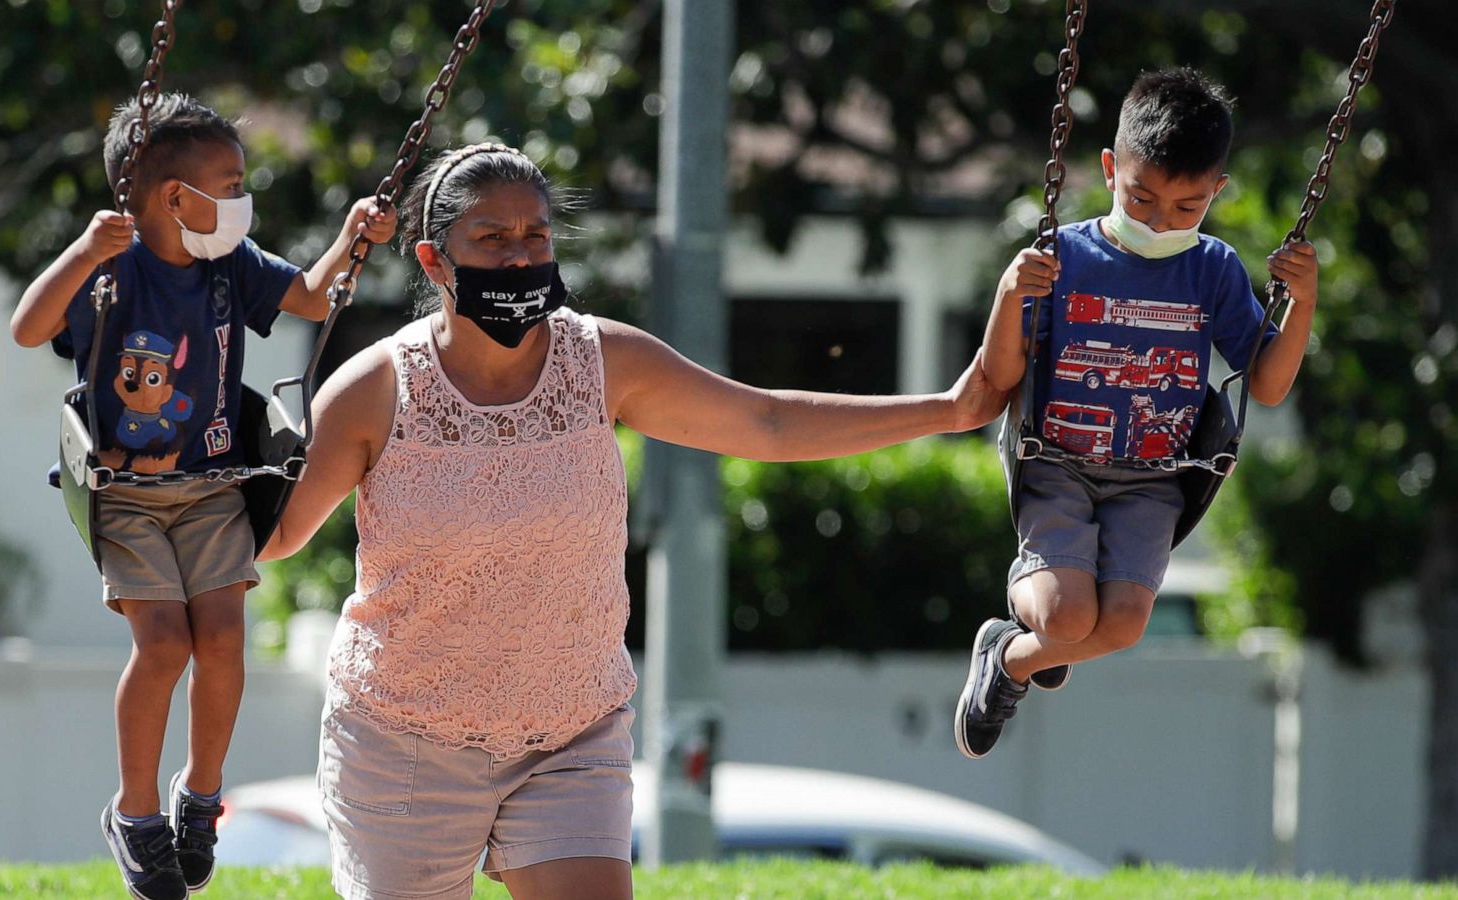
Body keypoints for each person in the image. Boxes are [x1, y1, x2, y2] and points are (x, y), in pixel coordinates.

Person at [257, 141, 1009, 900]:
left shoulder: (601, 361)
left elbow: (767, 424)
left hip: (570, 733)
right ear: (433, 260)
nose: (521, 257)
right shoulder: (376, 391)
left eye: (537, 236)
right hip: (403, 739)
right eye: (491, 238)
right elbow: (277, 536)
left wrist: (952, 409)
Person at [9, 93, 395, 900]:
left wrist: (352, 239)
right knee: (163, 646)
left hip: (215, 485)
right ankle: (137, 812)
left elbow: (316, 299)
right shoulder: (110, 270)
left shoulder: (233, 265)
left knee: (221, 639)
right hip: (126, 493)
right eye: (231, 182)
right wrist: (83, 252)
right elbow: (27, 326)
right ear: (173, 197)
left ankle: (201, 794)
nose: (242, 199)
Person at [955, 68, 1319, 760]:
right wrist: (1010, 293)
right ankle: (1032, 624)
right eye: (1141, 197)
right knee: (1067, 616)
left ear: (1217, 192)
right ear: (1108, 170)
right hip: (1057, 462)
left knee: (1119, 625)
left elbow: (1267, 385)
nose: (1159, 222)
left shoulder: (1210, 269)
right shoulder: (1064, 257)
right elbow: (1001, 378)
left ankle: (1010, 660)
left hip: (1153, 476)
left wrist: (1301, 303)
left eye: (1186, 208)